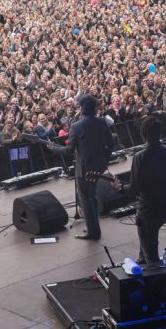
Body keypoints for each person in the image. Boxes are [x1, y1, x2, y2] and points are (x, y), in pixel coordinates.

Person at [113, 116, 166, 264]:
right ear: (160, 133)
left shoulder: (140, 158)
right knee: (146, 241)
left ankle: (151, 269)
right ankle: (142, 259)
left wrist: (120, 188)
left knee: (151, 253)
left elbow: (133, 190)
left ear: (143, 134)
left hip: (149, 210)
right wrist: (165, 183)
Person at [48, 95, 113, 240]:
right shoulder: (102, 122)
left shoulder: (77, 126)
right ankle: (95, 228)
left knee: (85, 199)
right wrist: (104, 161)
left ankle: (93, 232)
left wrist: (53, 148)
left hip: (83, 169)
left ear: (82, 109)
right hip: (99, 166)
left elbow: (69, 150)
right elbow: (111, 143)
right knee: (93, 197)